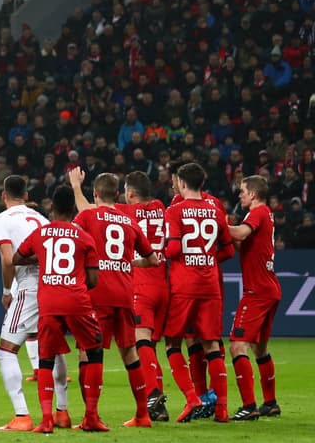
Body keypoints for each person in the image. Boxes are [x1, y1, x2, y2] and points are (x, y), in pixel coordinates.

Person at [68, 169, 158, 427]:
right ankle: (142, 415)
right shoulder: (129, 221)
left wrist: (75, 187)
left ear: (95, 193)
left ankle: (91, 416)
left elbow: (72, 240)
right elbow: (153, 260)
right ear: (117, 195)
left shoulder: (87, 216)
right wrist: (130, 262)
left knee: (89, 352)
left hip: (99, 294)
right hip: (126, 293)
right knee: (129, 352)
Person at [15, 186, 106, 433]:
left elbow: (16, 258)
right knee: (94, 351)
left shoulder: (40, 234)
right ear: (73, 209)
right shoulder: (85, 237)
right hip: (76, 300)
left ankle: (46, 420)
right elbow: (94, 281)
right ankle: (91, 416)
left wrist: (41, 260)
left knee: (45, 359)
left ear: (51, 208)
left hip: (49, 302)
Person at [0, 175, 64, 431]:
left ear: (3, 196)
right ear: (27, 196)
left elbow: (8, 260)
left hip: (29, 286)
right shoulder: (41, 219)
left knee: (5, 350)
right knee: (52, 346)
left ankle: (22, 415)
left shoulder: (1, 220)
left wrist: (7, 290)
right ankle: (62, 412)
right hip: (53, 284)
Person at [163, 163, 234, 423]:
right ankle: (222, 408)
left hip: (184, 285)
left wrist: (159, 253)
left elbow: (171, 250)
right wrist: (208, 259)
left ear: (182, 183)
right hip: (210, 285)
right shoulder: (215, 210)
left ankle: (192, 398)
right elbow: (228, 249)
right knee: (212, 344)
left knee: (172, 342)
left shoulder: (175, 210)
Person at [226, 175, 282, 419]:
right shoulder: (263, 214)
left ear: (254, 195)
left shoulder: (258, 213)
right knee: (260, 348)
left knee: (238, 345)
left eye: (243, 192)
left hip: (257, 291)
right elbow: (243, 243)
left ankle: (248, 405)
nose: (240, 195)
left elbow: (239, 234)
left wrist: (218, 224)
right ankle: (270, 403)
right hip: (269, 288)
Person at [119, 171, 172, 421]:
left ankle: (151, 394)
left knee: (140, 342)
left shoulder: (128, 212)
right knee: (150, 346)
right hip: (163, 283)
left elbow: (92, 209)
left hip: (142, 286)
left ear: (130, 194)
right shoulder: (160, 207)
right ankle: (158, 407)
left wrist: (76, 188)